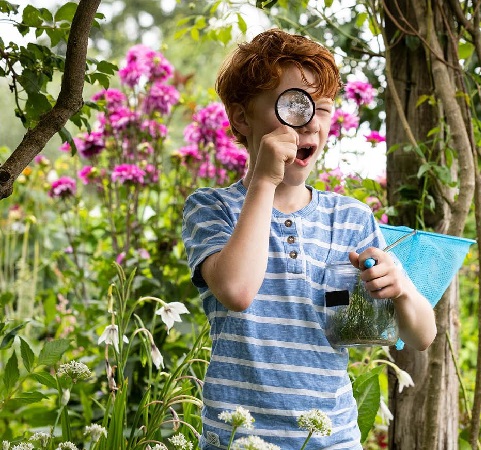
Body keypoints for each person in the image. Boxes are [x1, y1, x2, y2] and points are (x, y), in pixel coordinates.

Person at [181, 29, 437, 449]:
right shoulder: (211, 209)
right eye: (295, 106)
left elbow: (421, 336)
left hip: (331, 440)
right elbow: (237, 290)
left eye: (322, 109)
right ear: (242, 117)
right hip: (238, 440)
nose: (312, 123)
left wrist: (402, 289)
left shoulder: (351, 218)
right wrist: (264, 179)